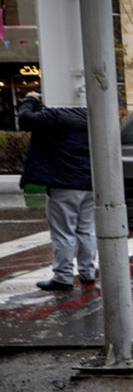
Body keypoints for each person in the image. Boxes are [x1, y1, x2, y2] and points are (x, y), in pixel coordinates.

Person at [18, 93, 96, 291]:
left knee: (63, 232)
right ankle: (87, 272)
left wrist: (31, 100)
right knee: (86, 230)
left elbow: (25, 120)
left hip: (64, 183)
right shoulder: (89, 116)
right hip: (89, 182)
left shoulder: (55, 116)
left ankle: (63, 276)